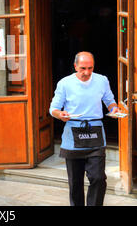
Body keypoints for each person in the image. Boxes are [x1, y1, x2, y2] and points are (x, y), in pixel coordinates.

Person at [49, 51, 120, 206]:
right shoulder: (65, 83)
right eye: (82, 68)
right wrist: (60, 114)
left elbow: (110, 100)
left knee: (98, 178)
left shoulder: (102, 80)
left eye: (90, 68)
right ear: (75, 66)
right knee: (75, 182)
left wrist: (114, 109)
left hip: (95, 132)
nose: (87, 72)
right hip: (73, 133)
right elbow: (53, 108)